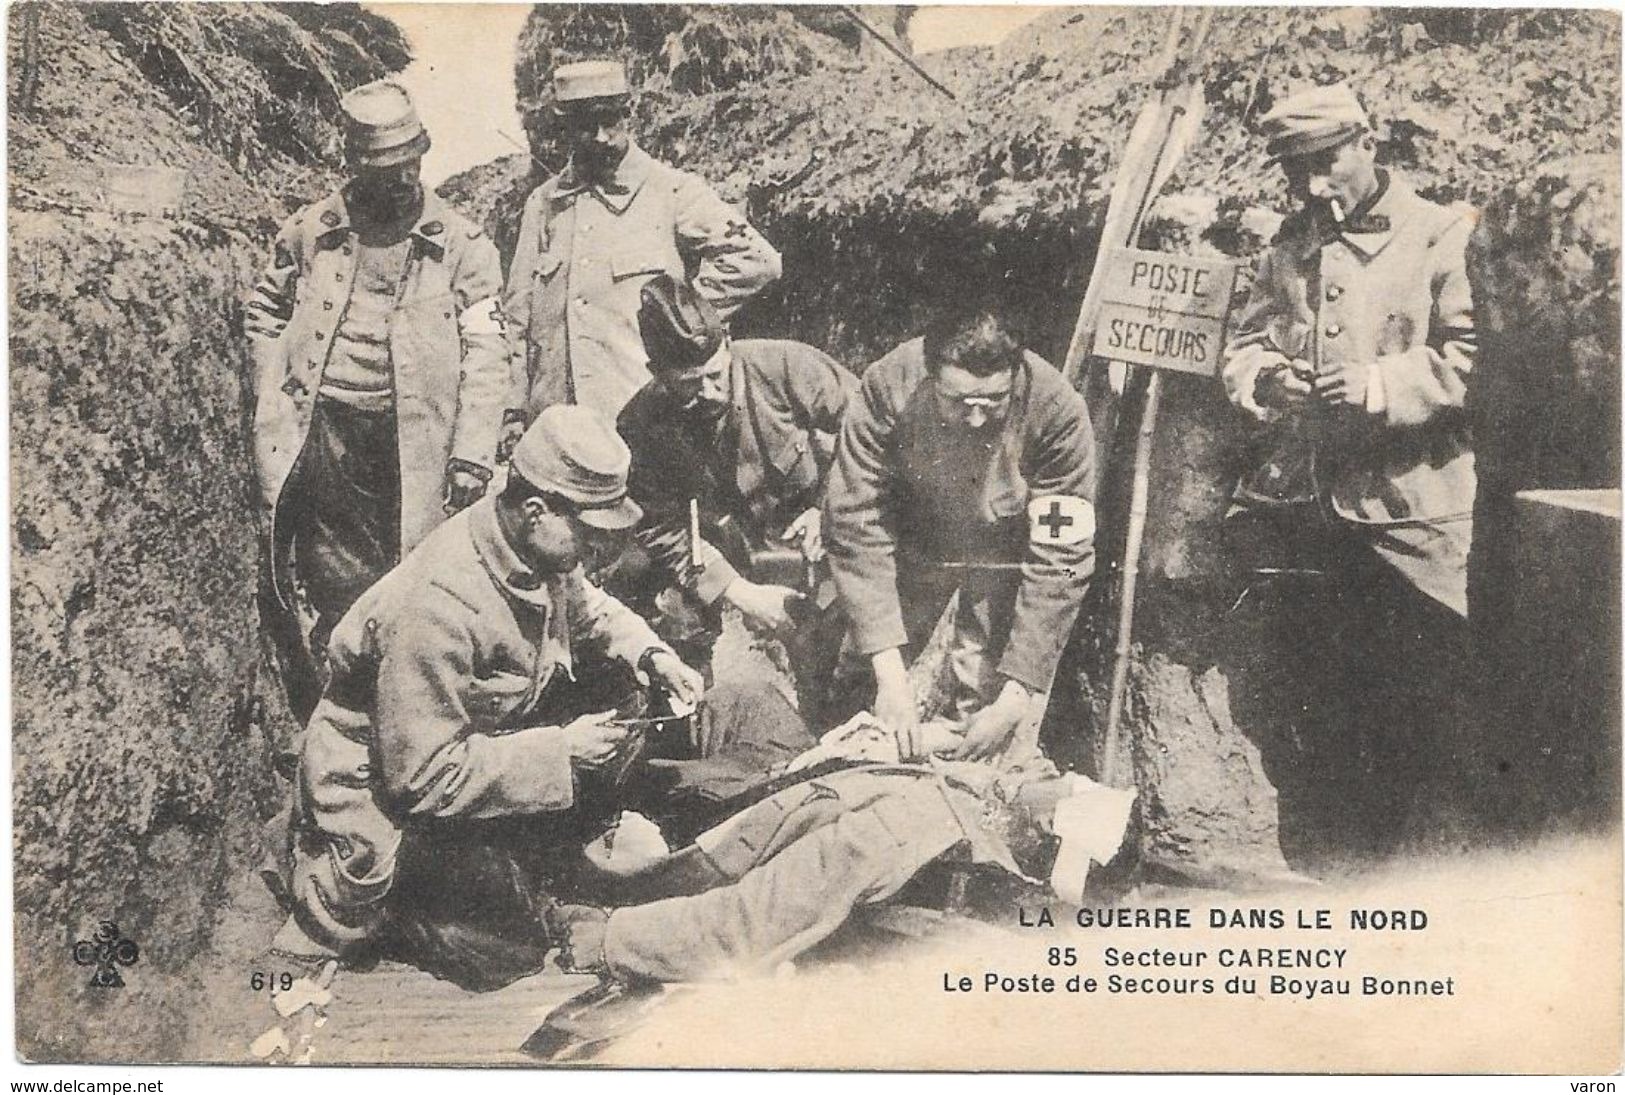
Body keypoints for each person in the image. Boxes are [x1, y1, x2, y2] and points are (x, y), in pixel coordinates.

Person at [265, 408, 811, 989]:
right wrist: (560, 752)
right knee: (507, 942)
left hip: (486, 740)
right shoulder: (436, 610)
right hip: (384, 782)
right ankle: (386, 898)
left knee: (618, 726)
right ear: (536, 511)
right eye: (591, 534)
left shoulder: (526, 541)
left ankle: (539, 848)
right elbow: (417, 777)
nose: (598, 553)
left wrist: (653, 656)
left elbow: (589, 610)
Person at [1219, 82, 1478, 854]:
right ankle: (1335, 863)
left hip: (1409, 517)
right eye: (1294, 173)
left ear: (1368, 143)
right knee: (1321, 702)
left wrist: (1376, 383)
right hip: (1309, 516)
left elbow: (1474, 361)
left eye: (1325, 164)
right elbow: (1245, 341)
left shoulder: (1441, 236)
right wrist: (1267, 376)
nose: (1311, 187)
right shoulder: (1289, 245)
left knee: (1415, 705)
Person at [245, 80, 511, 722]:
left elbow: (489, 349)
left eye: (409, 167)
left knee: (411, 574)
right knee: (336, 578)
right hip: (328, 430)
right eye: (382, 171)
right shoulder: (312, 231)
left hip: (415, 444)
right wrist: (271, 398)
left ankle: (405, 710)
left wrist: (473, 451)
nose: (398, 183)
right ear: (354, 167)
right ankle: (344, 709)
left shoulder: (460, 244)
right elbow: (265, 309)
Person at [823, 306, 1097, 765]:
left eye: (993, 402)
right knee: (862, 680)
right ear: (930, 378)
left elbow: (1062, 557)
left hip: (1003, 551)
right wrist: (890, 677)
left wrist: (1020, 691)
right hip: (911, 538)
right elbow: (856, 524)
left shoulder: (1057, 410)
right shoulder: (887, 387)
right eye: (958, 401)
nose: (975, 419)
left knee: (985, 707)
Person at [613, 273, 855, 722]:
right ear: (659, 375)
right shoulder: (642, 423)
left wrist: (829, 507)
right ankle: (690, 716)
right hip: (725, 545)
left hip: (817, 528)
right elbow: (658, 526)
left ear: (729, 342)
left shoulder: (788, 367)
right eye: (688, 385)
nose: (707, 393)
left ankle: (835, 721)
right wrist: (738, 592)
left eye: (714, 375)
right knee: (658, 596)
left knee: (842, 634)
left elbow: (870, 434)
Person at [503, 59, 781, 425]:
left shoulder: (671, 190)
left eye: (611, 120)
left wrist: (682, 322)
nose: (602, 136)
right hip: (558, 427)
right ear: (565, 127)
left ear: (626, 114)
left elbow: (757, 260)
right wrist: (513, 410)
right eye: (587, 124)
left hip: (646, 420)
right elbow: (517, 318)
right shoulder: (544, 205)